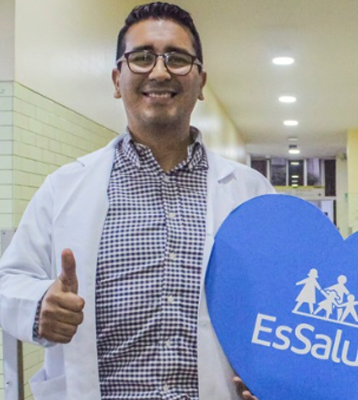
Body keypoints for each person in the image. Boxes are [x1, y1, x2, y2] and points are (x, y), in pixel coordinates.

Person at [0, 3, 273, 399]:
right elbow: (8, 280)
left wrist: (274, 377)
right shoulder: (64, 188)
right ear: (117, 79)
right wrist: (39, 305)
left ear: (200, 82)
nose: (160, 72)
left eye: (177, 59)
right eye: (142, 57)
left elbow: (280, 302)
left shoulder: (251, 192)